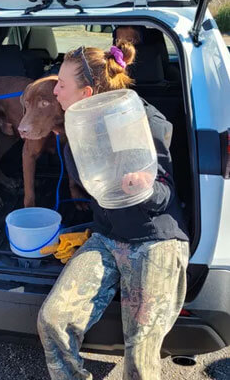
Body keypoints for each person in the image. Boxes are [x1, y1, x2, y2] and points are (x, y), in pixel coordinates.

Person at [37, 40, 189, 380]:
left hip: (154, 239)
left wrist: (144, 185)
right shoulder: (78, 122)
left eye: (61, 84)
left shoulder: (138, 120)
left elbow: (164, 194)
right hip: (108, 235)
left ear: (86, 92)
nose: (55, 89)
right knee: (53, 320)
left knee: (140, 355)